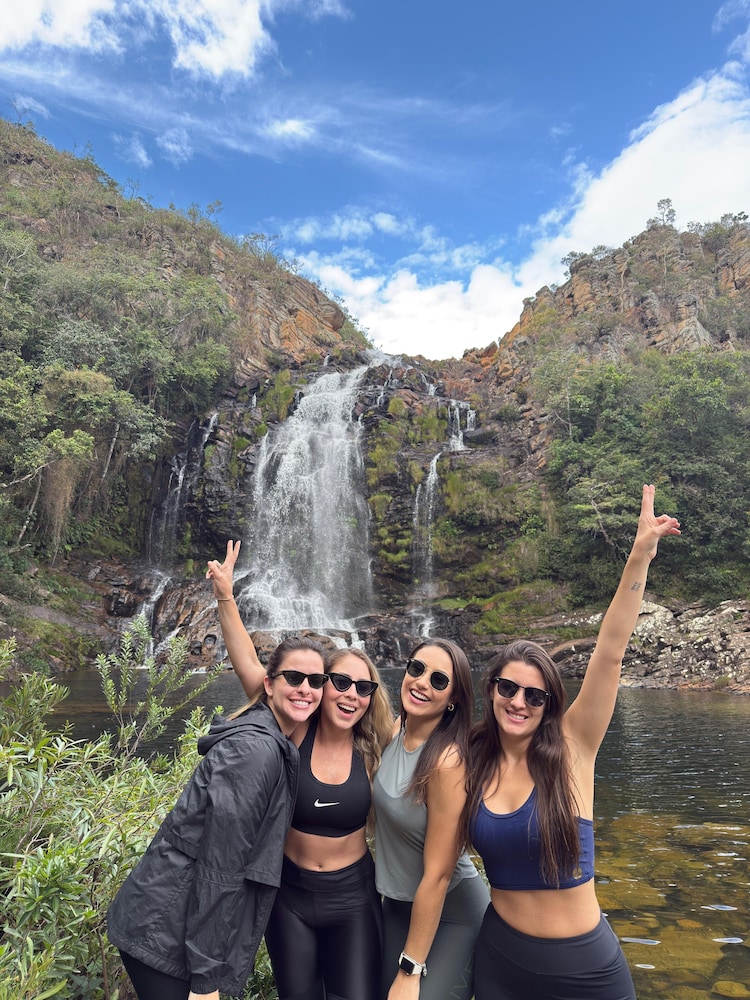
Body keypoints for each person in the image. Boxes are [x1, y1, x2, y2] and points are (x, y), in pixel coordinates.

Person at [467, 484, 681, 1000]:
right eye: (508, 688)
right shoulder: (471, 759)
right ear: (491, 690)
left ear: (550, 703)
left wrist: (639, 556)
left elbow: (610, 652)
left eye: (535, 696)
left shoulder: (574, 746)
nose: (519, 702)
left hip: (586, 968)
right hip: (500, 961)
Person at [206, 541, 394, 1000]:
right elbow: (252, 668)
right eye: (341, 683)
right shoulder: (292, 730)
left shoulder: (377, 747)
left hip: (353, 897)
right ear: (320, 688)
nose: (351, 694)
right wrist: (226, 597)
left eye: (363, 686)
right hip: (289, 896)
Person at [107, 635, 328, 1000]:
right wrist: (206, 977)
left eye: (316, 681)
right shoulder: (257, 751)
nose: (306, 689)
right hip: (166, 930)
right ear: (269, 685)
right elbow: (220, 865)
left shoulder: (270, 738)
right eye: (294, 678)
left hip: (166, 921)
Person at [373, 638, 491, 1000]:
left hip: (453, 912)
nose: (422, 682)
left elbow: (438, 875)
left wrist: (411, 968)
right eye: (417, 669)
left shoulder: (446, 763)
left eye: (439, 680)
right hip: (397, 904)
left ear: (453, 698)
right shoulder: (396, 731)